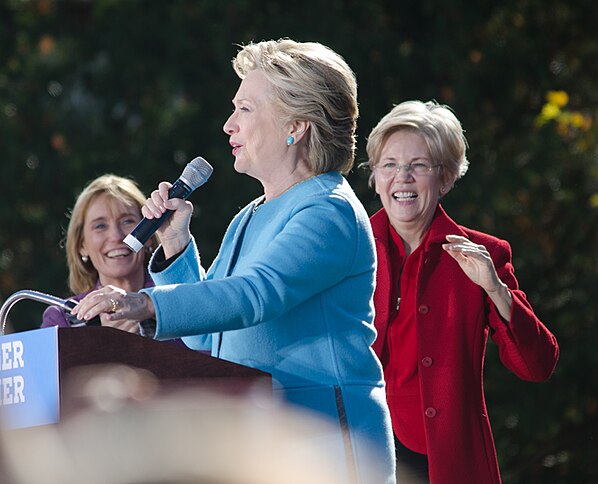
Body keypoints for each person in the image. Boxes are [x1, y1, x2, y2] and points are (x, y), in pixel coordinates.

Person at [72, 39, 396, 483]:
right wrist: (177, 244)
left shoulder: (327, 211)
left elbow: (254, 295)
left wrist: (147, 303)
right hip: (267, 441)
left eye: (244, 109)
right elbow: (209, 339)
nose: (228, 125)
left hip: (325, 444)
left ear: (295, 125)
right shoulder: (252, 213)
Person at [362, 100, 560, 483]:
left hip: (448, 460)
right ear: (375, 176)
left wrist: (495, 288)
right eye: (389, 165)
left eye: (419, 165)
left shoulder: (485, 254)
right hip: (360, 449)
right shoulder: (349, 249)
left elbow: (538, 365)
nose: (402, 178)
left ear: (447, 178)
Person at [42, 174, 157, 331]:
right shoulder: (63, 320)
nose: (116, 236)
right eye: (100, 226)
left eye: (127, 221)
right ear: (82, 245)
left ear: (149, 235)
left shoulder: (181, 302)